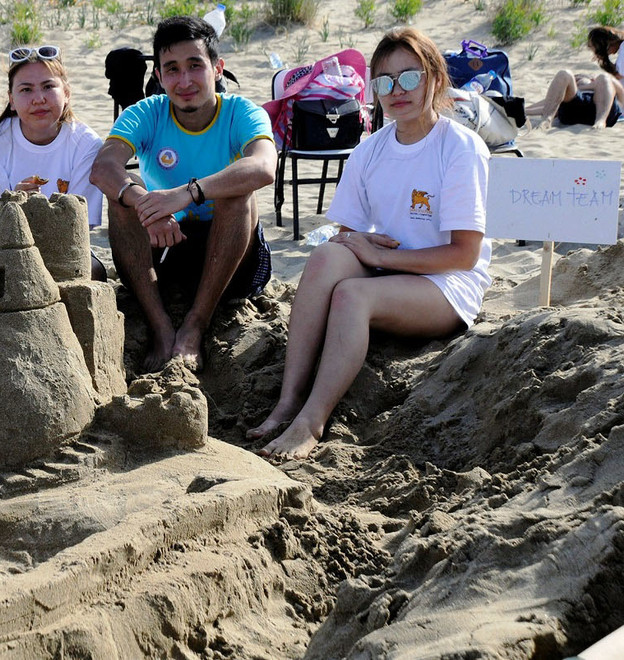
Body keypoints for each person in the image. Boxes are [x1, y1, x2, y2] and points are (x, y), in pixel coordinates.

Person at [247, 27, 492, 460]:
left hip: (446, 284)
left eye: (410, 77)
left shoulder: (459, 147)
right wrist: (359, 244)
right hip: (391, 269)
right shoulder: (369, 150)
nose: (397, 91)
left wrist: (377, 254)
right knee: (325, 256)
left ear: (434, 78)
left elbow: (464, 254)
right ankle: (287, 401)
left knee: (351, 296)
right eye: (383, 82)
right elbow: (347, 234)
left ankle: (311, 420)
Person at [90, 16, 277, 372]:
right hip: (166, 249)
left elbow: (264, 167)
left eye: (195, 66)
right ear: (158, 77)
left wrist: (187, 193)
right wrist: (143, 203)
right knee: (122, 198)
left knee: (237, 192)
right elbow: (104, 168)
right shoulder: (146, 112)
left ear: (217, 69)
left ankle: (195, 324)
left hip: (234, 259)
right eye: (172, 69)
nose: (185, 80)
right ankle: (160, 326)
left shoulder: (241, 112)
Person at [0, 44, 106, 233]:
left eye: (48, 86)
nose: (39, 99)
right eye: (26, 90)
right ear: (12, 100)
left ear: (66, 94)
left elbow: (80, 226)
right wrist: (13, 203)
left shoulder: (87, 144)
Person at [525, 26, 624, 129]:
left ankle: (600, 121)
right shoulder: (585, 89)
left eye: (595, 48)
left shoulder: (604, 80)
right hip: (575, 110)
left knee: (604, 77)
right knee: (564, 74)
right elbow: (553, 102)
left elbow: (618, 81)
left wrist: (590, 84)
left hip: (607, 107)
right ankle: (545, 118)